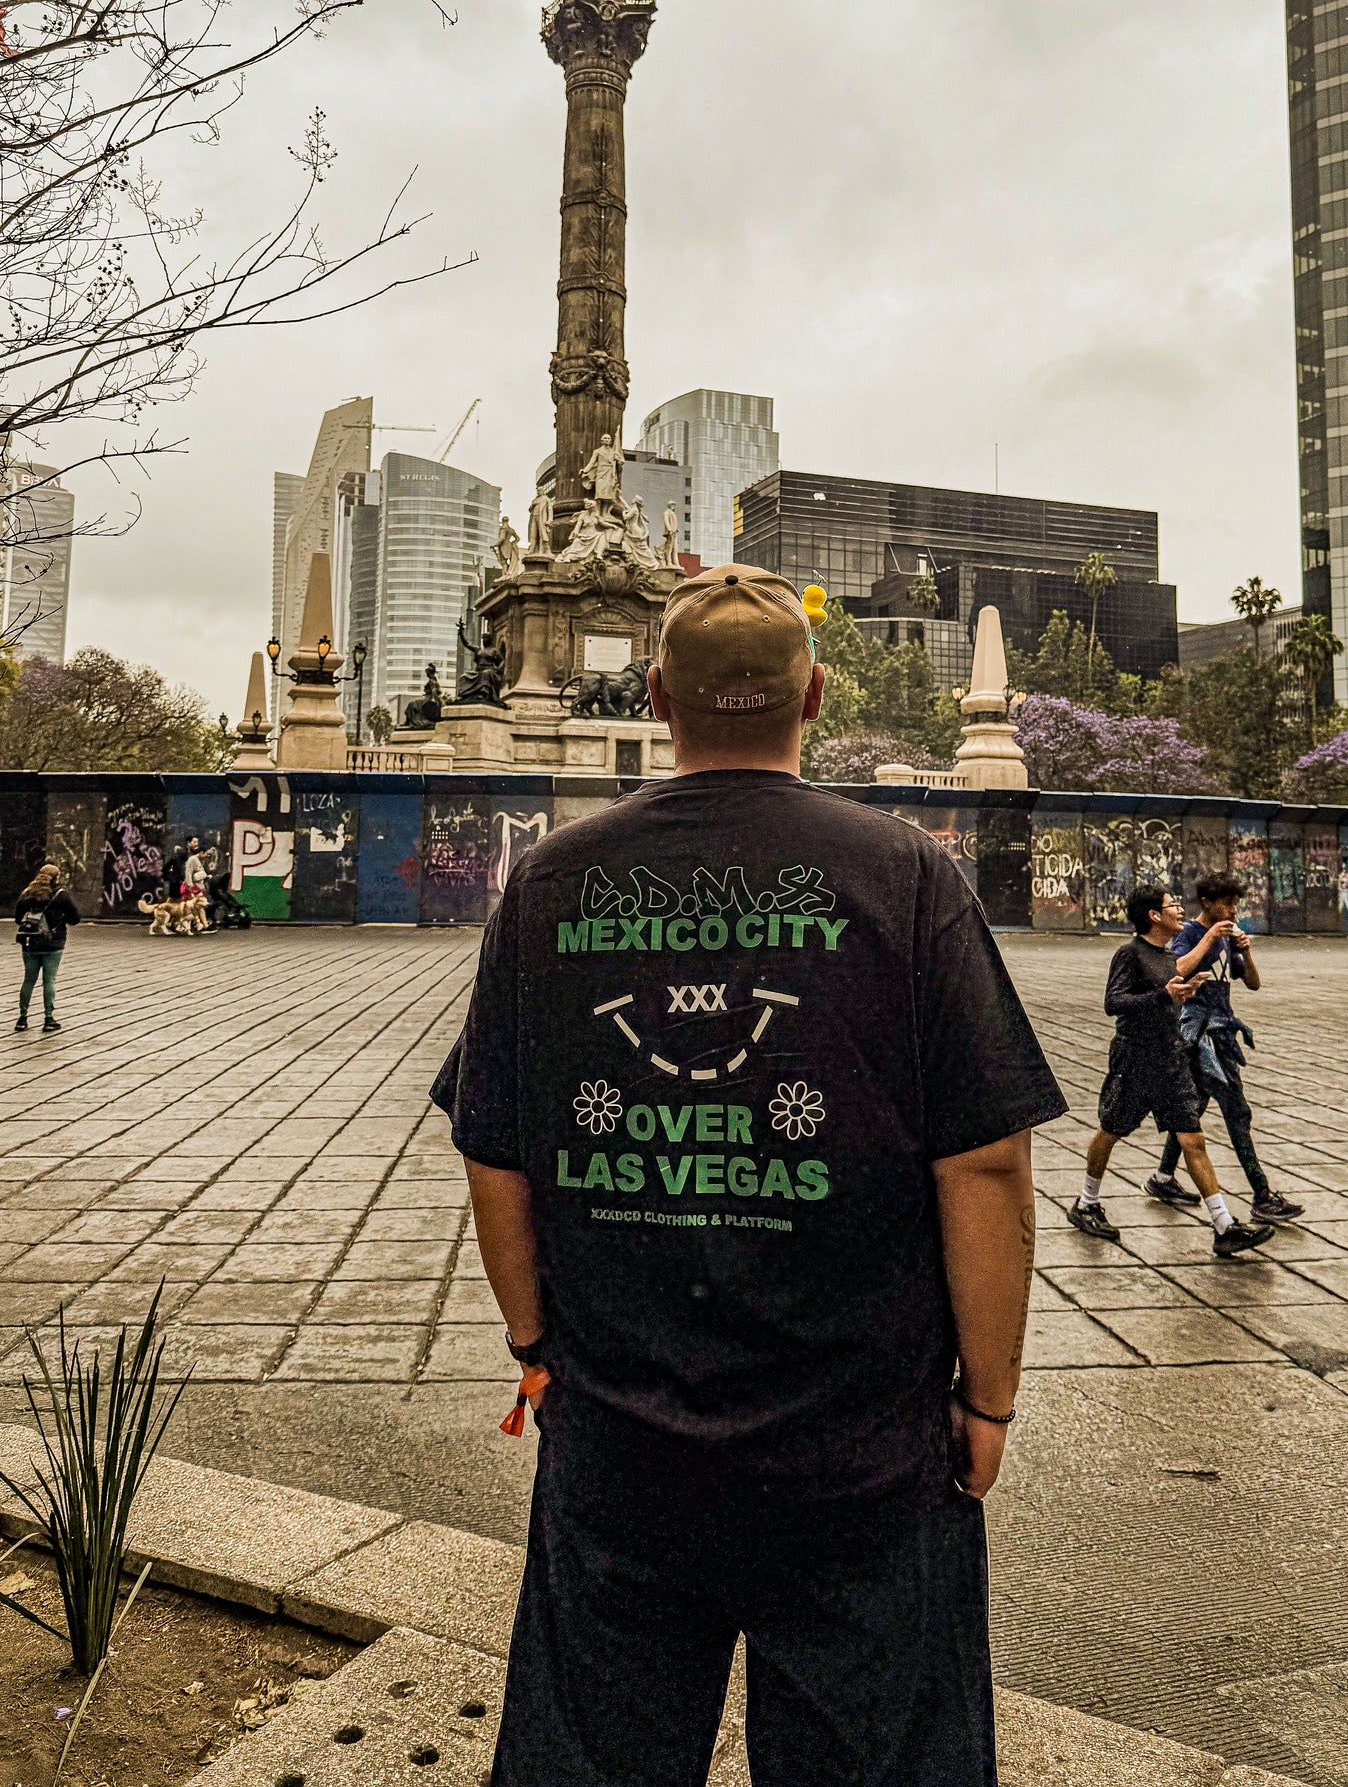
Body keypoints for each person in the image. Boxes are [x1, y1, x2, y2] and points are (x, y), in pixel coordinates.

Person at [433, 562, 1068, 1787]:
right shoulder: (904, 874)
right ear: (814, 693)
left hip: (618, 1434)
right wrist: (984, 1397)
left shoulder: (552, 884)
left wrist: (533, 1347)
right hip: (862, 1443)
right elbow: (984, 1163)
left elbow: (493, 1146)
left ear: (657, 698)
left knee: (594, 1753)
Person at [1065, 883, 1274, 1259]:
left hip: (1171, 1059)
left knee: (1193, 1139)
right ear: (1154, 916)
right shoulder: (1130, 954)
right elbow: (1114, 1002)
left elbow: (1179, 978)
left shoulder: (1165, 957)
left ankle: (1224, 1225)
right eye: (1171, 905)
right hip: (1135, 1060)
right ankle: (1086, 1202)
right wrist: (1166, 995)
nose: (1179, 909)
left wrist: (1187, 989)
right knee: (1110, 1132)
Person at [1150, 873, 1303, 1224]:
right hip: (1200, 1036)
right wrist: (1209, 938)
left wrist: (1246, 953)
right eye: (1227, 904)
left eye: (1236, 904)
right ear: (1207, 903)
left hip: (1223, 1031)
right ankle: (1262, 1195)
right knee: (1237, 1112)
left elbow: (1252, 983)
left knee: (1194, 1108)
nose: (1233, 910)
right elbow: (1175, 970)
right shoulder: (1189, 934)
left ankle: (1162, 1177)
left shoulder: (1228, 937)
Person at [14, 862, 81, 1034]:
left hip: (30, 942)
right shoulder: (61, 895)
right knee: (49, 980)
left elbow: (17, 918)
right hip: (53, 943)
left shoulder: (27, 893)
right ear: (56, 878)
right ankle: (48, 1018)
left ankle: (22, 1019)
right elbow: (75, 919)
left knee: (28, 979)